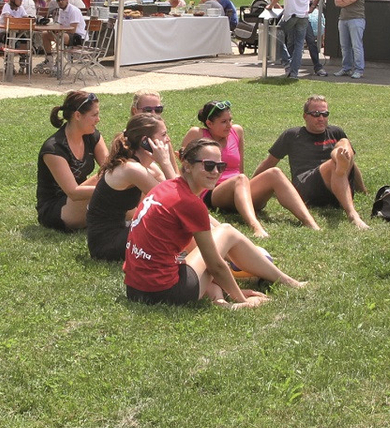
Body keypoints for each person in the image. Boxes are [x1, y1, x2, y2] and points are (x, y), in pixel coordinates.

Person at [123, 138, 305, 308]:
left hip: (135, 289)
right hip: (166, 292)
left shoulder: (165, 187)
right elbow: (215, 265)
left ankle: (219, 297)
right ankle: (288, 281)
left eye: (220, 166)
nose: (216, 172)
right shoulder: (190, 204)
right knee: (226, 231)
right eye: (209, 166)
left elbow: (193, 251)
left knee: (207, 248)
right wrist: (242, 300)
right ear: (187, 166)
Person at [182, 99, 320, 234]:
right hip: (214, 191)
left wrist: (246, 186)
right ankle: (256, 227)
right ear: (209, 123)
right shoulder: (197, 134)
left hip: (240, 186)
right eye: (223, 122)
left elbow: (240, 168)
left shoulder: (237, 131)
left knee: (275, 172)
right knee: (241, 179)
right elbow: (185, 165)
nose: (229, 125)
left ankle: (310, 222)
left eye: (230, 120)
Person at [253, 95, 370, 228]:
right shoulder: (293, 135)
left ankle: (338, 161)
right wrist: (251, 185)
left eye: (325, 114)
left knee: (344, 143)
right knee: (336, 162)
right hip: (308, 187)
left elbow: (351, 163)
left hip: (336, 187)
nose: (321, 118)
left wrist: (363, 190)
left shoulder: (336, 132)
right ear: (305, 116)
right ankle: (352, 214)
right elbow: (269, 162)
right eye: (316, 114)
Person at [87, 113, 176, 261]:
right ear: (145, 141)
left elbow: (184, 197)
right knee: (172, 223)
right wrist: (166, 162)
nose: (168, 139)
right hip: (106, 244)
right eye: (163, 134)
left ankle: (213, 240)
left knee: (178, 220)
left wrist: (215, 225)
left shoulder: (146, 166)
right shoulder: (131, 169)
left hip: (121, 231)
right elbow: (176, 201)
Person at [36, 89, 109, 231]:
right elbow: (73, 192)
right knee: (115, 180)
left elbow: (111, 167)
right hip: (58, 209)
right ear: (77, 115)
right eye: (94, 115)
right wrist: (110, 189)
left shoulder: (92, 136)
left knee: (116, 173)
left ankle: (137, 218)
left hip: (81, 198)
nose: (98, 119)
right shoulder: (54, 148)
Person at [269, 0, 318, 80]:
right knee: (299, 45)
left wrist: (271, 6)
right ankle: (294, 73)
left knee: (275, 35)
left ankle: (287, 63)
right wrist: (312, 7)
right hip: (304, 15)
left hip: (291, 14)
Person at [335, 0, 366, 79]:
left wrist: (343, 1)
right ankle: (346, 68)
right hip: (343, 19)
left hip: (356, 19)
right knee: (344, 46)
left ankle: (359, 70)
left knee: (356, 45)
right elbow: (336, 1)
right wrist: (346, 1)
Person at [305, 0, 328, 76]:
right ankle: (317, 65)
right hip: (312, 11)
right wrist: (314, 5)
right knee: (311, 41)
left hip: (307, 12)